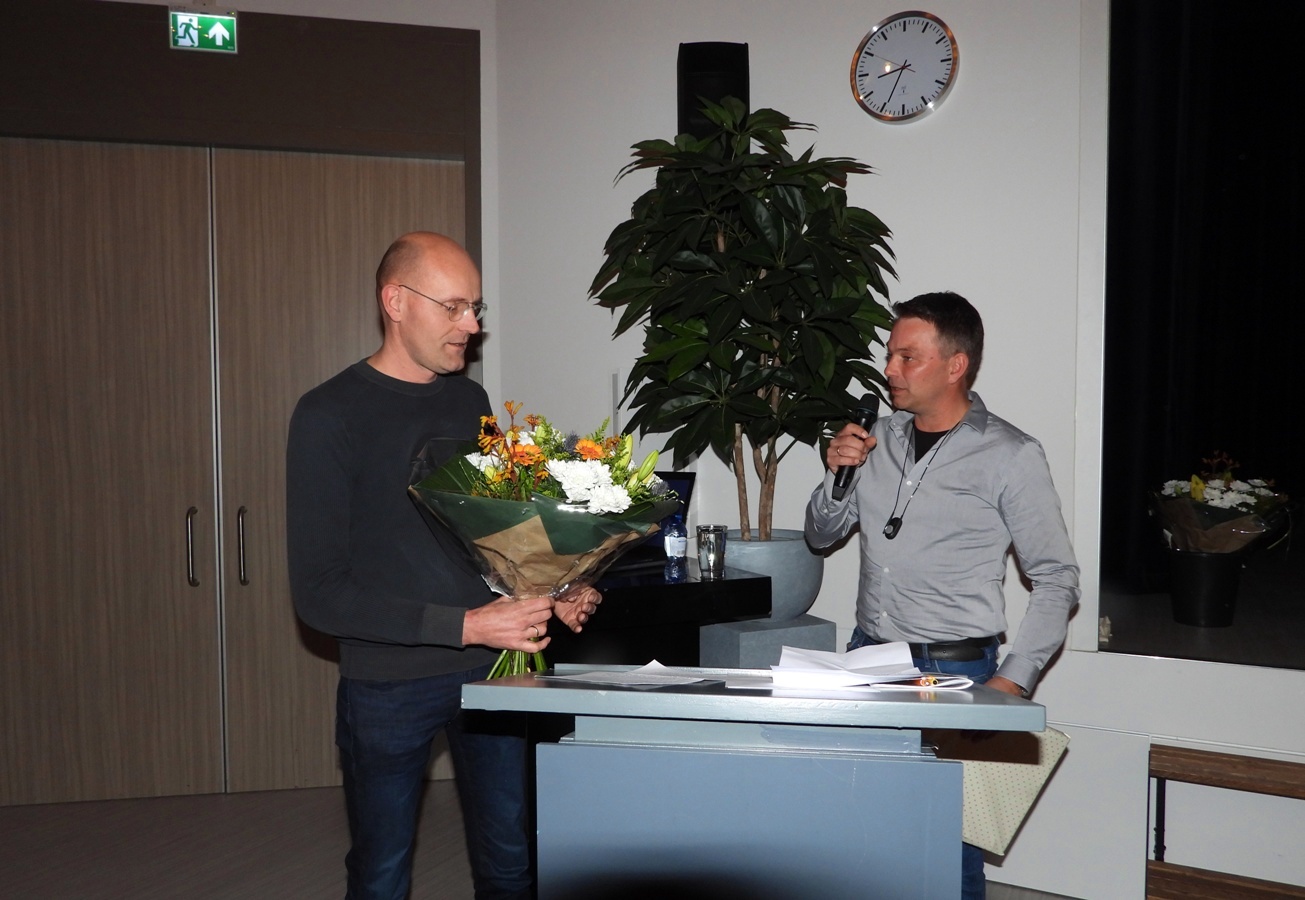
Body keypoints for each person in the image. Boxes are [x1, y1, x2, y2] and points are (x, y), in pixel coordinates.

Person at [287, 231, 600, 900]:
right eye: (453, 307)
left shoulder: (469, 403)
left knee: (511, 862)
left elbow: (495, 534)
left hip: (492, 669)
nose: (472, 326)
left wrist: (558, 584)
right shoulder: (326, 415)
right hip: (388, 685)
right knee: (381, 873)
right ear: (395, 302)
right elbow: (319, 595)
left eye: (475, 308)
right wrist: (467, 626)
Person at [804, 291, 1079, 900]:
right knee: (863, 831)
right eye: (890, 355)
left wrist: (1013, 681)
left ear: (956, 365)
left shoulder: (1010, 454)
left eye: (908, 357)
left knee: (946, 849)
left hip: (953, 672)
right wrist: (836, 476)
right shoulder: (874, 438)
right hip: (868, 658)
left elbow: (1057, 576)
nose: (890, 369)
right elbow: (820, 536)